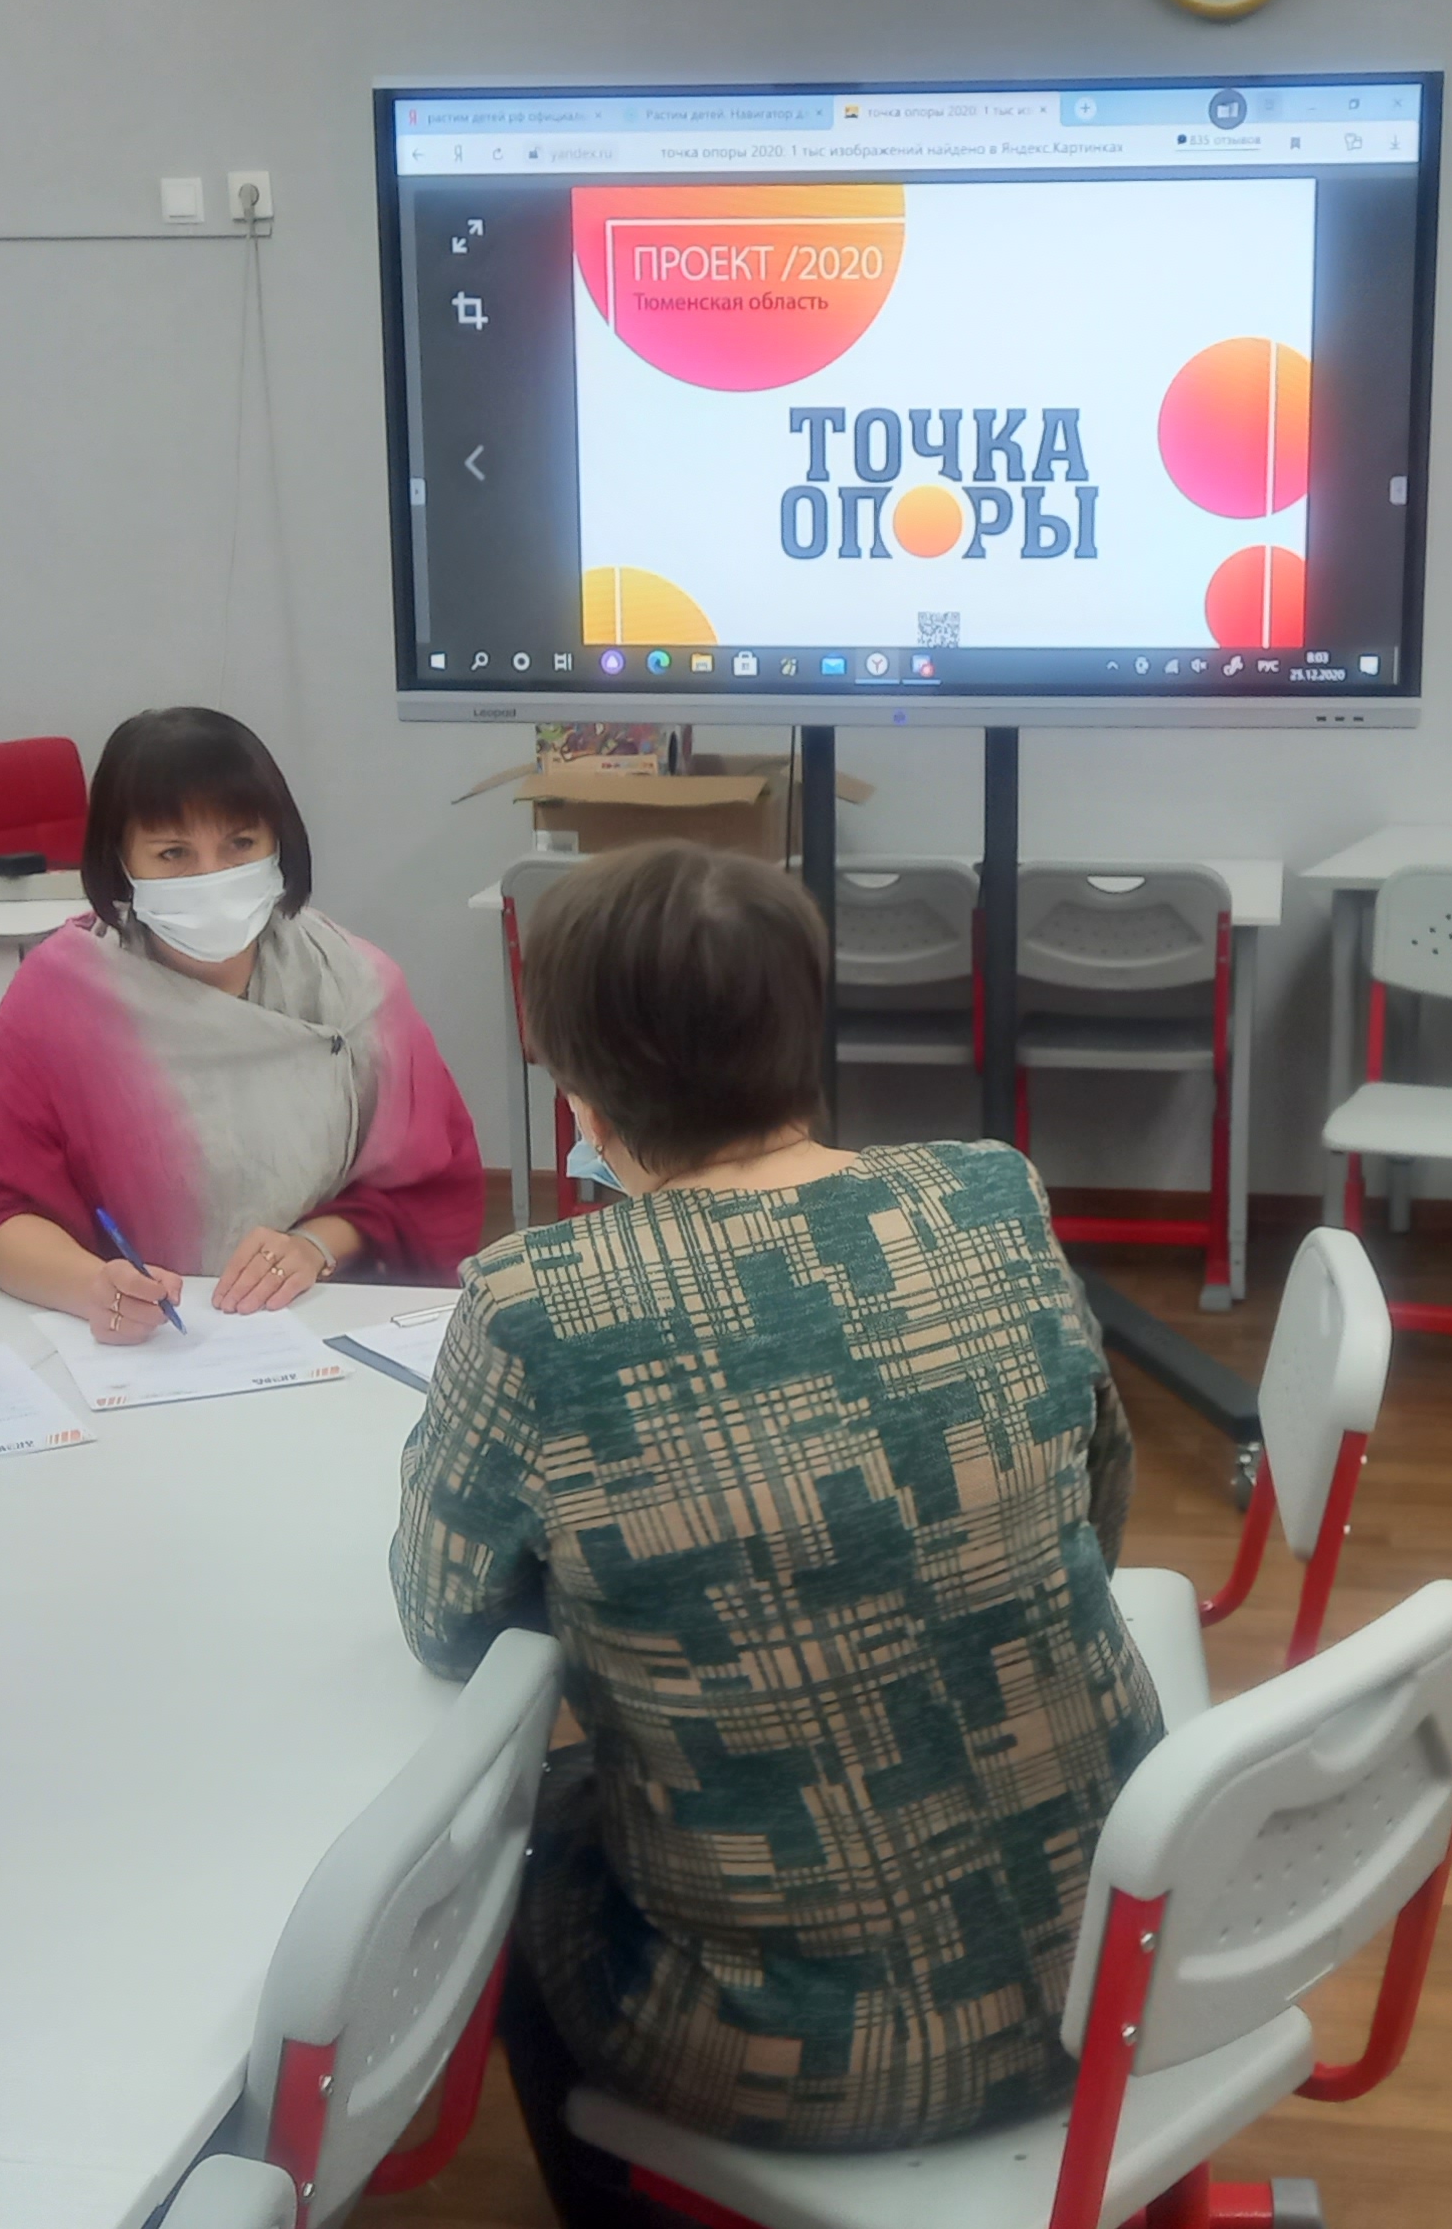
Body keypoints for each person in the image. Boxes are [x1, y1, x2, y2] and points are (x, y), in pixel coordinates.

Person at [390, 841, 1160, 2221]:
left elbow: (448, 1622)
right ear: (808, 1025)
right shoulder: (990, 1195)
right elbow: (1100, 1498)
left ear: (574, 1081)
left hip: (795, 2057)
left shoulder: (530, 1305)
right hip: (1119, 1967)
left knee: (520, 1846)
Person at [0, 707, 481, 1339]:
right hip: (143, 1345)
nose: (213, 877)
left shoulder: (355, 985)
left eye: (240, 845)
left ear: (279, 842)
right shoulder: (56, 999)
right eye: (173, 853)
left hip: (321, 1328)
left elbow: (425, 1186)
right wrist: (92, 1287)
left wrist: (315, 1245)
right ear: (119, 861)